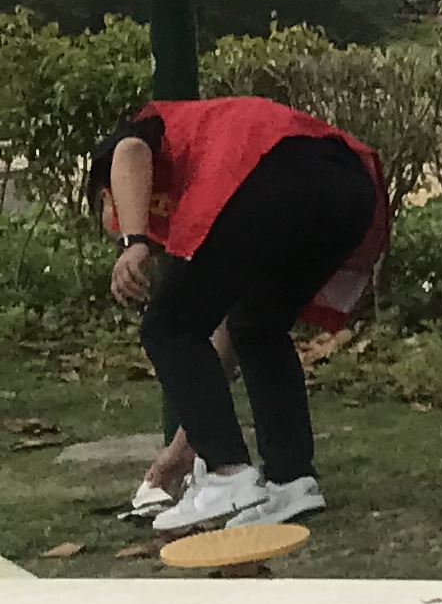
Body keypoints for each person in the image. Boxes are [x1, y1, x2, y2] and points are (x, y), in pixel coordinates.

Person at [86, 96, 391, 537]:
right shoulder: (198, 168)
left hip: (272, 173)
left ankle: (228, 477)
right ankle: (292, 480)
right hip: (346, 189)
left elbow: (129, 153)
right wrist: (183, 448)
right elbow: (219, 343)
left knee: (166, 325)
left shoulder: (146, 133)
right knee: (256, 324)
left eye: (110, 215)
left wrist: (132, 241)